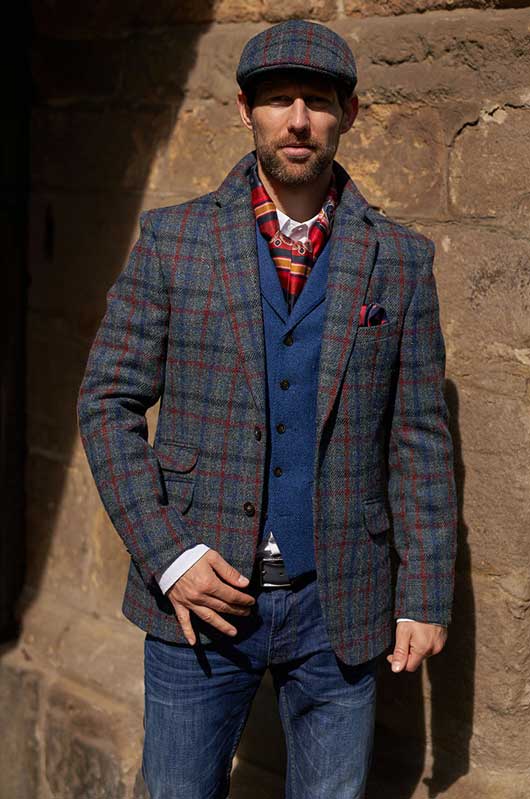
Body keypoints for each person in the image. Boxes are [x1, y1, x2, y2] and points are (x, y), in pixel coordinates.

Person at [77, 18, 457, 799]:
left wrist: (423, 593)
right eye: (279, 99)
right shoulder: (174, 240)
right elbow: (108, 401)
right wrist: (170, 556)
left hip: (340, 601)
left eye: (318, 101)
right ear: (246, 110)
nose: (298, 120)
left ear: (349, 115)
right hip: (199, 598)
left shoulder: (399, 259)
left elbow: (419, 438)